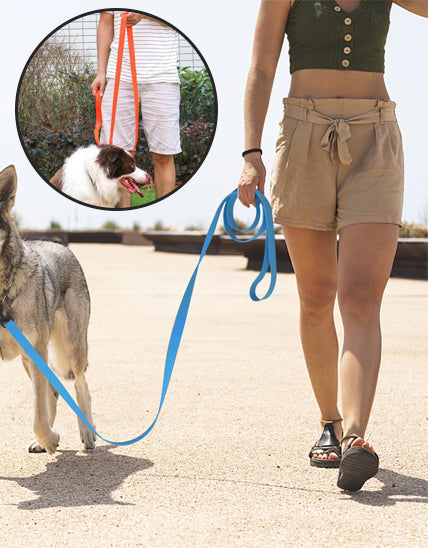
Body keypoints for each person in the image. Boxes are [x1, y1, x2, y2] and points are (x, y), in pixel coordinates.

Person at [238, 0, 427, 491]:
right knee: (317, 296)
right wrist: (251, 154)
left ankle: (357, 439)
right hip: (302, 135)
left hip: (376, 135)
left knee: (362, 298)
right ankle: (330, 421)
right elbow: (261, 66)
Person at [91, 11, 181, 207]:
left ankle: (163, 224)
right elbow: (106, 22)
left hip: (162, 76)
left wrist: (145, 15)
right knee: (115, 155)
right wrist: (101, 72)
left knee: (163, 154)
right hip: (118, 76)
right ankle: (121, 224)